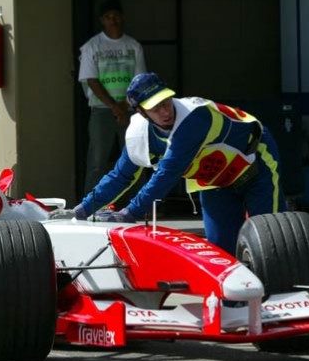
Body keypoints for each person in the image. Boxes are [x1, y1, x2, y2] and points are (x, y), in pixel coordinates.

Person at [61, 72, 286, 256]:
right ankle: (234, 305)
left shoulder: (193, 119)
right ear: (140, 111)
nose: (165, 111)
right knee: (220, 251)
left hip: (255, 165)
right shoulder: (139, 135)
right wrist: (82, 210)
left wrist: (130, 213)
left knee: (269, 240)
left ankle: (280, 299)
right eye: (155, 107)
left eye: (166, 101)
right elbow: (120, 177)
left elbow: (168, 173)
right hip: (214, 179)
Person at [79, 0, 146, 194]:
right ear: (102, 21)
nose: (113, 20)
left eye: (116, 16)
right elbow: (91, 80)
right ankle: (90, 205)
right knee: (97, 161)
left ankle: (141, 205)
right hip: (101, 111)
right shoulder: (92, 46)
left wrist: (125, 105)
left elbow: (139, 80)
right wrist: (114, 106)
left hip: (130, 111)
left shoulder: (133, 46)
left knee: (136, 158)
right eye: (108, 17)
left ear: (122, 17)